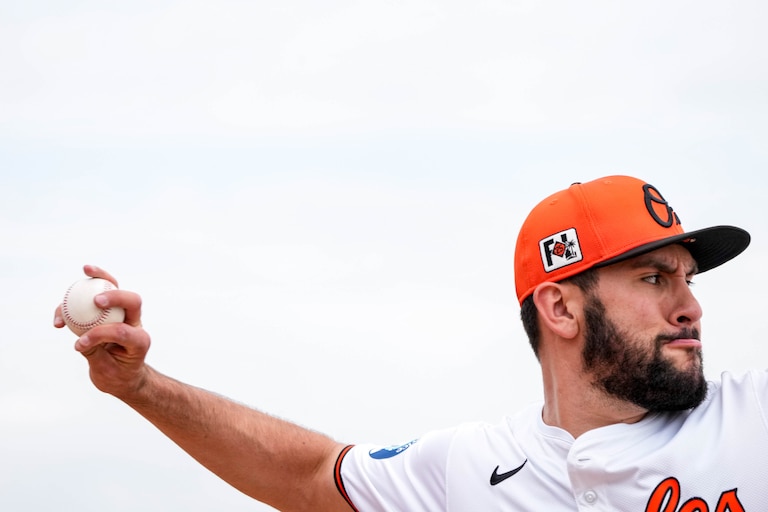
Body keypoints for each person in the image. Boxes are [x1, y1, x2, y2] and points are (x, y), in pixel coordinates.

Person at [54, 175, 767, 511]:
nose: (689, 305)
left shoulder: (749, 421)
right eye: (654, 277)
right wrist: (140, 387)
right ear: (560, 307)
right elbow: (306, 475)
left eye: (688, 278)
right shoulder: (470, 468)